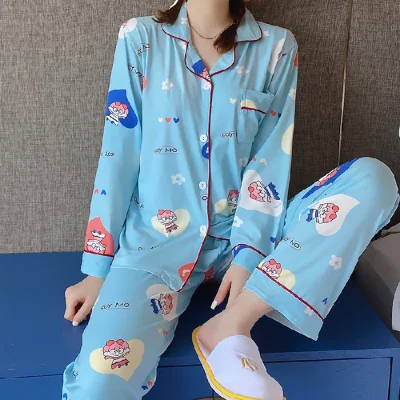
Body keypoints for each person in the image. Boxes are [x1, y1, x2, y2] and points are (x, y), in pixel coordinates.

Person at [62, 0, 400, 399]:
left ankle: (231, 324)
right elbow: (118, 153)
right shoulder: (141, 38)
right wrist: (97, 268)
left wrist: (249, 254)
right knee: (97, 385)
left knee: (374, 180)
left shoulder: (276, 46)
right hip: (154, 245)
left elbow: (271, 160)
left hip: (254, 238)